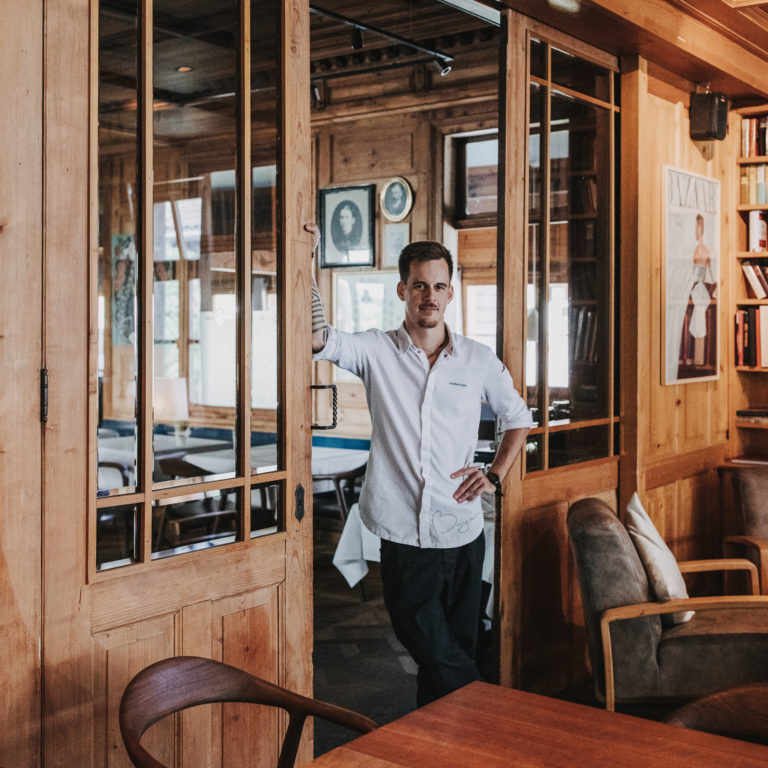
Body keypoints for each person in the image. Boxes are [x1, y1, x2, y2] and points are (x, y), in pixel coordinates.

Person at [307, 223, 532, 706]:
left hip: (463, 531)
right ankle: (488, 710)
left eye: (439, 286)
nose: (430, 296)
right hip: (402, 531)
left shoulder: (477, 359)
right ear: (402, 290)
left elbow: (519, 418)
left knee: (453, 649)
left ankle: (443, 745)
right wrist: (305, 258)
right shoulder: (374, 350)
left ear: (451, 292)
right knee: (426, 641)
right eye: (420, 286)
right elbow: (315, 337)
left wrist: (493, 473)